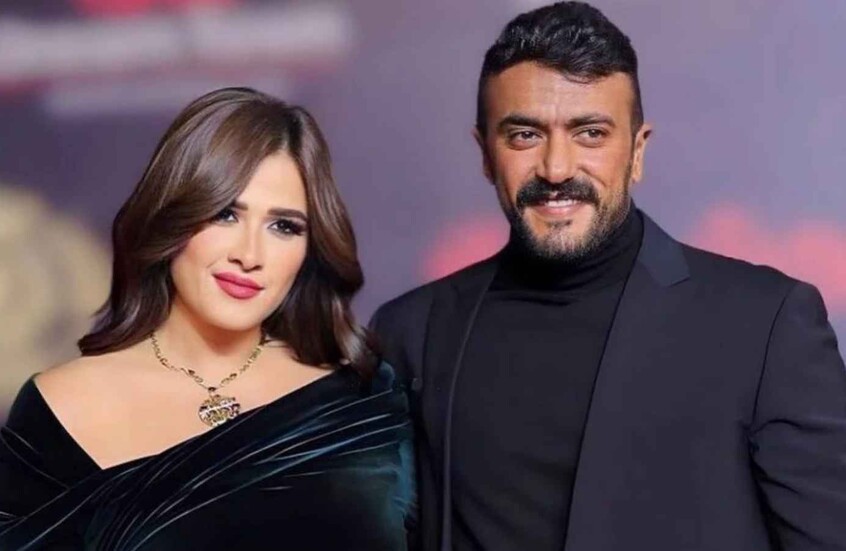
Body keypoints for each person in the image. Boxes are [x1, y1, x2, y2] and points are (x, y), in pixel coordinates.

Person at [371, 3, 846, 551]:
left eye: (590, 133)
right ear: (485, 154)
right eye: (524, 135)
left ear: (637, 151)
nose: (556, 168)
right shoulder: (412, 333)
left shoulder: (765, 324)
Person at [0, 88, 416, 550]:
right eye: (224, 215)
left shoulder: (363, 400)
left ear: (310, 247)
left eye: (284, 226)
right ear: (170, 219)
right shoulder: (61, 404)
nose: (250, 255)